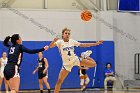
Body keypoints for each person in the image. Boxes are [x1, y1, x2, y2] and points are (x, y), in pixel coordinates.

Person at [49, 27, 103, 93]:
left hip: (75, 60)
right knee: (59, 81)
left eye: (69, 33)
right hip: (66, 64)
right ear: (62, 34)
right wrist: (54, 41)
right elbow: (51, 46)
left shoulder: (72, 41)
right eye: (66, 33)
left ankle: (85, 56)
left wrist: (96, 43)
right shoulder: (60, 42)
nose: (67, 34)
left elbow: (83, 45)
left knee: (94, 64)